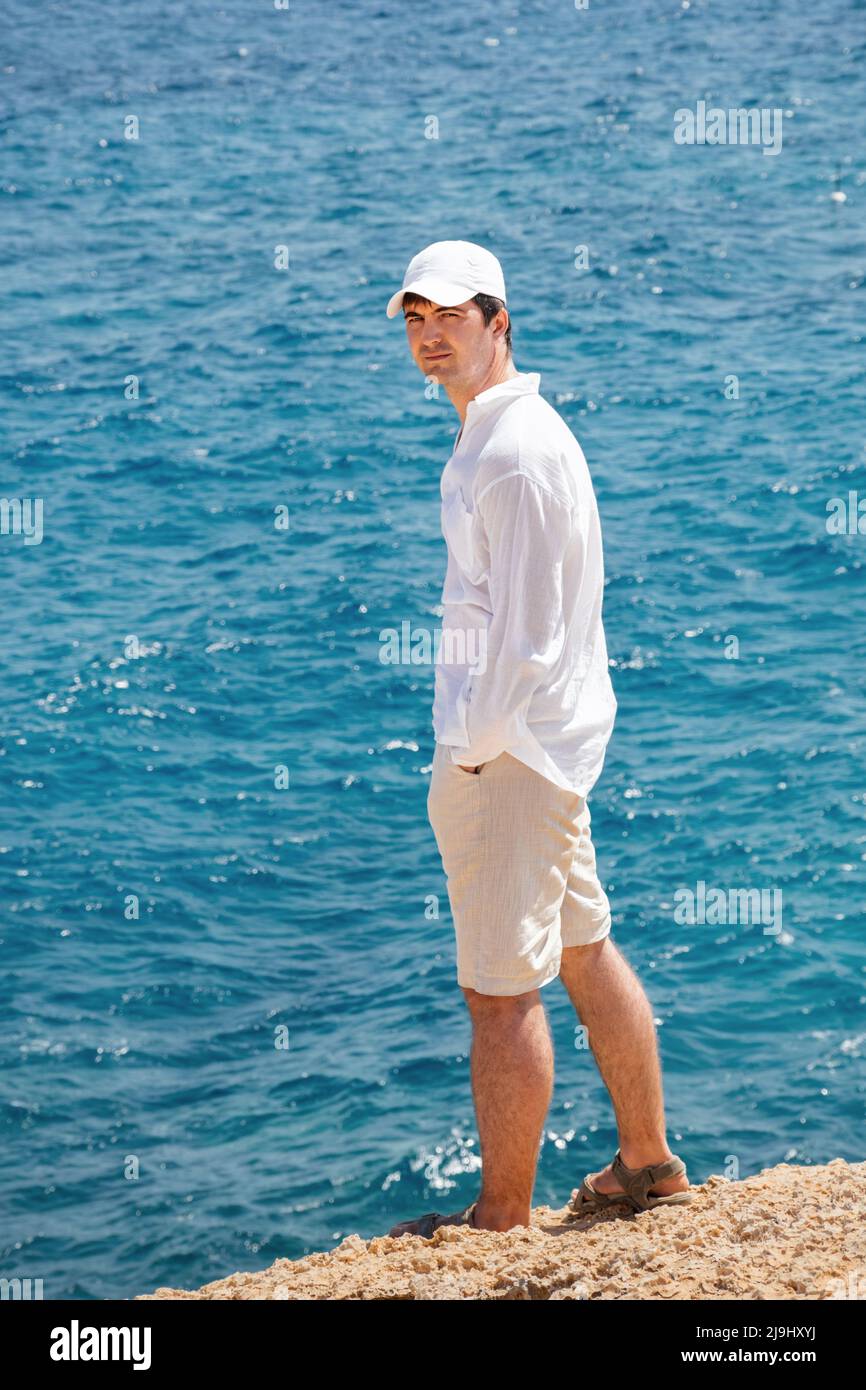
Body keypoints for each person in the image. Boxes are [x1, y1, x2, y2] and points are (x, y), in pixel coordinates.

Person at [384, 241, 693, 1237]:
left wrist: (469, 748)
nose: (430, 338)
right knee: (583, 950)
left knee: (497, 992)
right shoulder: (506, 435)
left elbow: (520, 639)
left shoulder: (509, 454)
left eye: (450, 319)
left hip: (509, 758)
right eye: (414, 320)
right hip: (544, 748)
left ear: (497, 321)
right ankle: (646, 1165)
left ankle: (499, 1221)